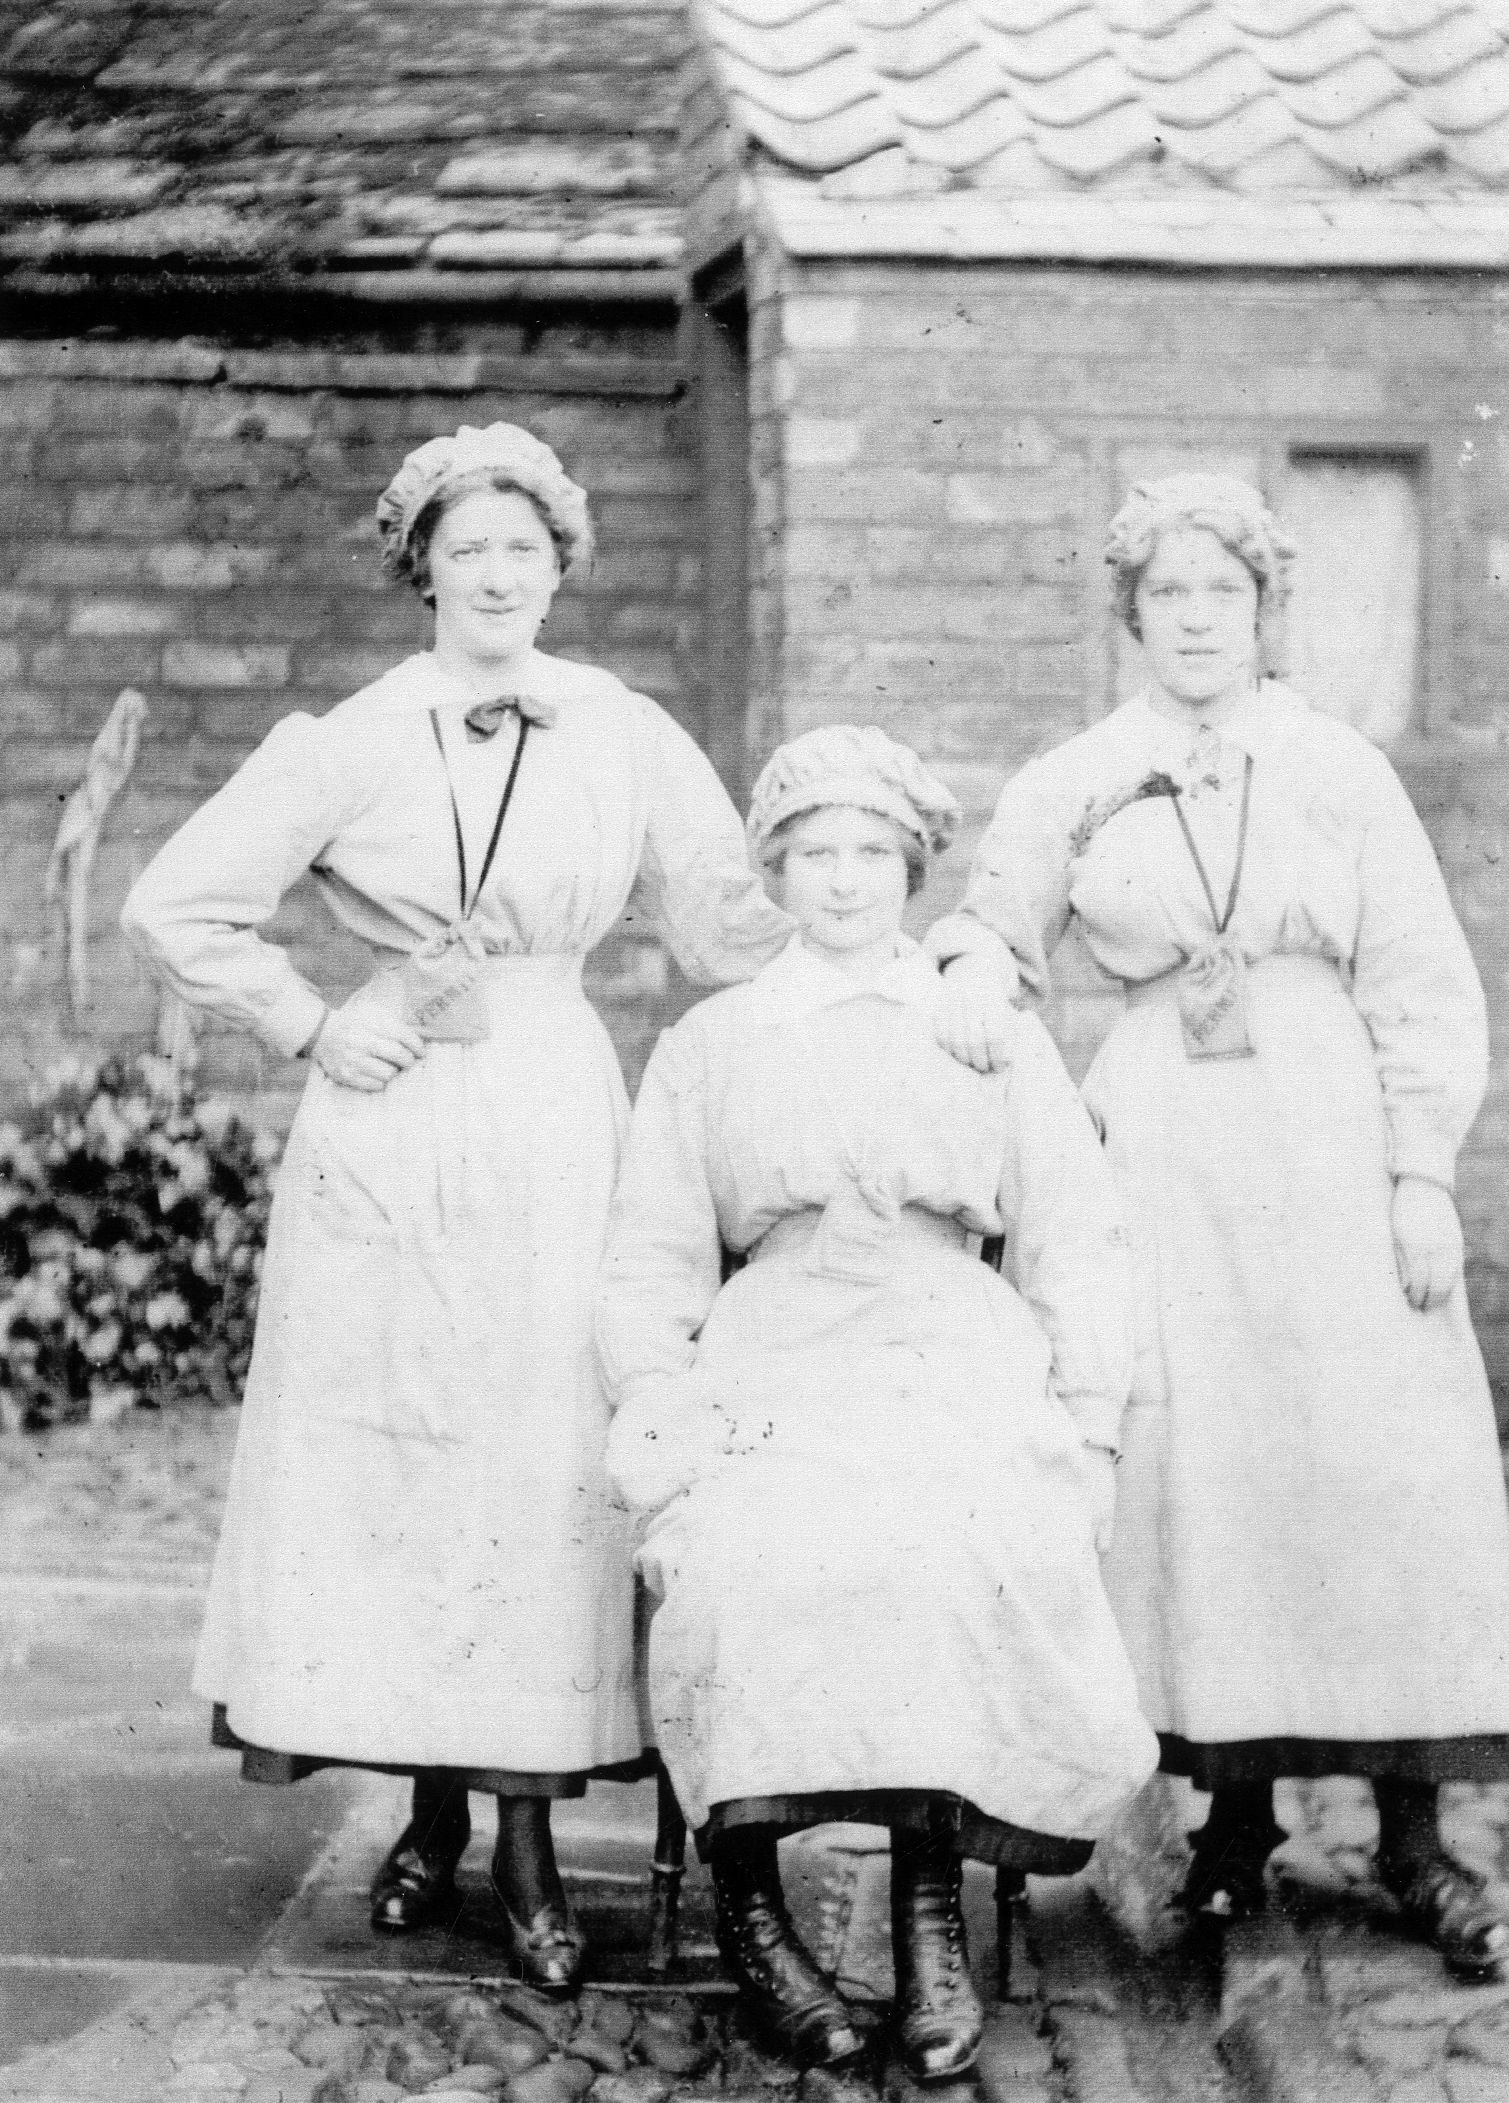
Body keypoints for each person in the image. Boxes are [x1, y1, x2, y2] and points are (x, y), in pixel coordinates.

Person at [120, 425, 1015, 1990]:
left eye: (524, 551)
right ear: (421, 568)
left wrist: (917, 960)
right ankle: (423, 1813)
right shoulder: (349, 737)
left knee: (537, 1458)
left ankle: (526, 1843)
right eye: (467, 550)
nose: (497, 575)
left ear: (560, 567)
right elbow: (176, 904)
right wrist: (317, 1022)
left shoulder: (618, 729)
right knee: (400, 1461)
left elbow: (739, 922)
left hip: (548, 1103)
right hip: (391, 1127)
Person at [930, 472, 1509, 1980]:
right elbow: (997, 930)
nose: (1196, 620)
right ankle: (1229, 1825)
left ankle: (1412, 1834)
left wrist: (1417, 1173)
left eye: (1223, 595)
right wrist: (971, 991)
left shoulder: (1333, 768)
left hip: (1324, 1141)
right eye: (1168, 596)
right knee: (1206, 1471)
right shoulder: (1076, 775)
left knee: (1374, 1465)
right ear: (1127, 614)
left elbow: (1418, 980)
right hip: (1164, 1154)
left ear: (1264, 612)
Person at [596, 725, 1157, 2077]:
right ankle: (750, 1912)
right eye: (812, 854)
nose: (842, 882)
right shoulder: (715, 1042)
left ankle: (926, 1919)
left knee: (961, 1546)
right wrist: (660, 1397)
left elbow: (1075, 1242)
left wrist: (1084, 1427)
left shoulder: (983, 1033)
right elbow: (650, 1255)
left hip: (945, 1338)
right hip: (776, 1342)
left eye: (869, 853)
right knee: (738, 1557)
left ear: (911, 867)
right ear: (773, 872)